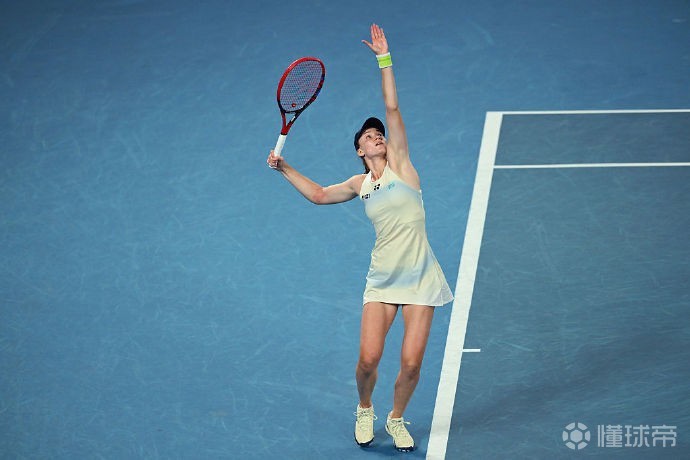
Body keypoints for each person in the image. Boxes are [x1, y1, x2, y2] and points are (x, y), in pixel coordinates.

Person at [266, 23, 453, 452]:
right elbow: (319, 195)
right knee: (368, 360)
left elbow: (392, 108)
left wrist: (384, 59)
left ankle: (396, 417)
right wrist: (284, 167)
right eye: (369, 137)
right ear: (360, 151)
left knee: (411, 364)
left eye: (379, 134)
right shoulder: (359, 184)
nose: (377, 136)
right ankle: (365, 407)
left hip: (421, 278)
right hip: (383, 280)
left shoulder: (403, 166)